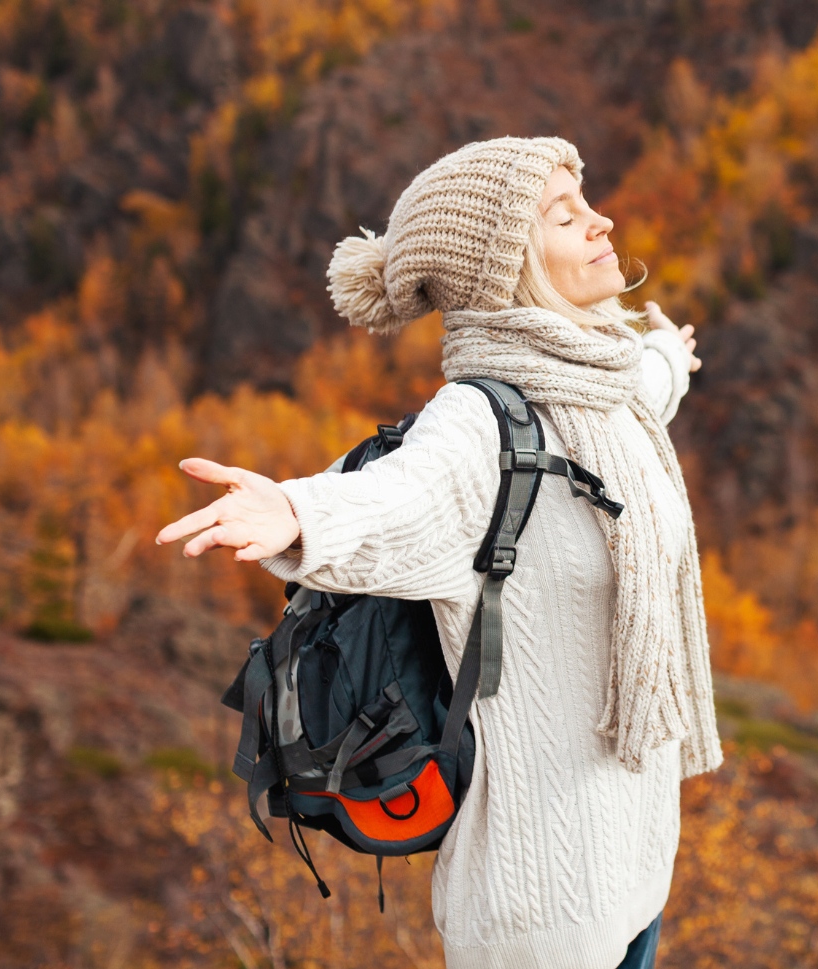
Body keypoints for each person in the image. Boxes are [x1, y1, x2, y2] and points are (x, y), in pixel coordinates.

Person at [155, 136, 721, 969]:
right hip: (544, 919)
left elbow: (644, 384)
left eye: (586, 202)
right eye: (564, 216)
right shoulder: (478, 423)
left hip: (637, 881)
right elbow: (399, 501)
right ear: (504, 268)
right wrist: (294, 512)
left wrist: (670, 357)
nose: (601, 222)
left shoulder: (599, 391)